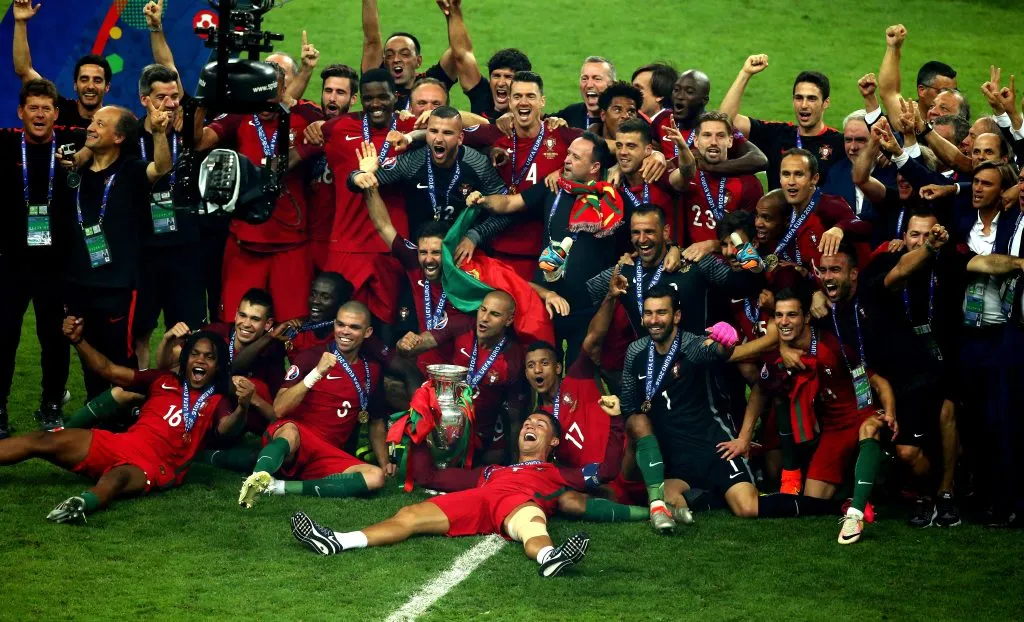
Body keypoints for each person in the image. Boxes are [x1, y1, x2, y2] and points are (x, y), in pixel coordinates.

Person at [0, 319, 251, 523]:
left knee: (117, 477)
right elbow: (108, 370)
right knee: (43, 439)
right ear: (185, 359)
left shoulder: (218, 400)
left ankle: (82, 503)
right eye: (195, 354)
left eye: (209, 357)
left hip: (155, 465)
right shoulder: (162, 379)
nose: (200, 361)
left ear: (217, 367)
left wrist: (242, 406)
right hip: (121, 443)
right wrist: (78, 341)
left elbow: (226, 429)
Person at [290, 409, 592, 578]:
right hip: (482, 498)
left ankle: (549, 557)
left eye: (540, 425)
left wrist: (618, 423)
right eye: (527, 422)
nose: (530, 425)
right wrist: (419, 430)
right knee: (409, 514)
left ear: (553, 441)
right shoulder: (491, 470)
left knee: (531, 526)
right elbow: (430, 477)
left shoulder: (559, 473)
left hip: (520, 504)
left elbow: (603, 477)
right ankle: (338, 540)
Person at [734, 287, 897, 543]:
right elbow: (760, 391)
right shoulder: (779, 356)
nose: (785, 322)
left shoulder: (830, 347)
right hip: (833, 430)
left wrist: (888, 413)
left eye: (792, 315)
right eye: (779, 316)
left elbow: (877, 382)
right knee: (812, 498)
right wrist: (744, 438)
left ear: (806, 317)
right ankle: (851, 495)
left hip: (860, 416)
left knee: (869, 428)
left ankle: (856, 512)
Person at [467, 133, 620, 364]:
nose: (566, 160)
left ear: (594, 167)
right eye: (568, 153)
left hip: (586, 306)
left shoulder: (610, 202)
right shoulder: (552, 187)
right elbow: (510, 202)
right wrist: (483, 200)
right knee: (542, 370)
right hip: (546, 301)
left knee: (581, 375)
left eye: (576, 157)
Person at [237, 302, 394, 507]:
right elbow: (279, 408)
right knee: (290, 432)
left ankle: (278, 487)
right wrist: (316, 373)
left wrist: (384, 464)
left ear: (367, 332)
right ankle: (258, 478)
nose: (345, 331)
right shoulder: (310, 357)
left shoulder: (371, 370)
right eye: (340, 324)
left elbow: (376, 422)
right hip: (296, 440)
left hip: (329, 453)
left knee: (375, 478)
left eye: (354, 327)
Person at [193, 59, 313, 326]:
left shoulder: (306, 115)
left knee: (294, 331)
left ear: (285, 90)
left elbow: (333, 132)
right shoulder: (239, 115)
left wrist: (300, 152)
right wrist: (201, 102)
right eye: (261, 91)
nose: (266, 100)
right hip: (244, 242)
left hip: (291, 244)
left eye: (274, 91)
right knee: (235, 326)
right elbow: (199, 141)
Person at [66, 105, 172, 401]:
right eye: (93, 121)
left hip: (117, 286)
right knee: (86, 353)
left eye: (101, 124)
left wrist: (160, 134)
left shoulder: (132, 169)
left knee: (119, 358)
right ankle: (95, 411)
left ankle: (123, 417)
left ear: (118, 137)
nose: (92, 127)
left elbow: (161, 168)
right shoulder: (77, 169)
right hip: (78, 282)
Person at [296, 69, 416, 330]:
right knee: (336, 324)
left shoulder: (409, 127)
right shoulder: (338, 128)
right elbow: (302, 139)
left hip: (389, 243)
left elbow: (461, 125)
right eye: (368, 98)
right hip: (346, 244)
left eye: (382, 97)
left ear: (396, 97)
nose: (375, 105)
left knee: (385, 326)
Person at [867, 214, 962, 526]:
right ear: (903, 236)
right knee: (908, 450)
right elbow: (895, 276)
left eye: (927, 236)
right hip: (906, 372)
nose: (920, 241)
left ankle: (945, 495)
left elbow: (979, 265)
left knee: (947, 416)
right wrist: (930, 249)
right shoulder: (886, 263)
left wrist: (1017, 264)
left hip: (944, 361)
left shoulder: (948, 263)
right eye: (914, 235)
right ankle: (925, 493)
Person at [0, 79, 80, 436]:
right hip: (10, 263)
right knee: (4, 336)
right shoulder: (4, 144)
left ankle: (51, 405)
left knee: (54, 338)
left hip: (55, 265)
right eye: (33, 107)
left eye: (46, 108)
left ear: (56, 115)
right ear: (21, 112)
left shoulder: (71, 151)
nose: (39, 114)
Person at [458, 71, 583, 279]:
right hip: (496, 246)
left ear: (542, 101)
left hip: (544, 253)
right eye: (517, 96)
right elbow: (451, 125)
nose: (523, 102)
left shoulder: (561, 135)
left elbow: (602, 147)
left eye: (530, 96)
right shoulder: (497, 134)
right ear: (509, 101)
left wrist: (653, 155)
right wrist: (412, 133)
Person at [129, 64, 205, 369]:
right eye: (162, 97)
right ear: (145, 99)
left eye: (175, 96)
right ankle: (138, 398)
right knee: (139, 332)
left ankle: (182, 402)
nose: (171, 103)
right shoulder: (129, 135)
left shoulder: (193, 134)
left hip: (185, 250)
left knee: (187, 332)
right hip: (142, 252)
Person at [399, 290, 527, 464]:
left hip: (482, 431)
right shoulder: (461, 325)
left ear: (509, 320)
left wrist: (517, 464)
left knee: (491, 466)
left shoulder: (513, 357)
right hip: (444, 419)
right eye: (483, 310)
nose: (484, 318)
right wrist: (405, 344)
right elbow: (415, 346)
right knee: (393, 386)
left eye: (494, 314)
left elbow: (514, 417)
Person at [362, 185, 474, 372]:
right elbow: (383, 225)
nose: (428, 259)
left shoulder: (468, 277)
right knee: (392, 387)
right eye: (423, 252)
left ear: (449, 251)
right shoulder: (415, 262)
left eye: (436, 253)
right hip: (425, 360)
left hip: (462, 365)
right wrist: (370, 185)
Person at [349, 106, 506, 235]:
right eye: (433, 131)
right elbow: (361, 182)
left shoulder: (478, 163)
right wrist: (359, 174)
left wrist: (475, 236)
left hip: (463, 252)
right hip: (422, 253)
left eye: (447, 133)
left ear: (460, 138)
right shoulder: (413, 161)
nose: (438, 138)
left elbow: (505, 207)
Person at [720, 56, 845, 189]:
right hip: (777, 210)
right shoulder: (777, 134)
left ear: (826, 103)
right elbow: (724, 121)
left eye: (812, 99)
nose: (803, 105)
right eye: (799, 98)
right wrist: (745, 74)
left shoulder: (839, 143)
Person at [296, 63, 360, 273]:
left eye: (340, 92)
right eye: (328, 91)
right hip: (306, 238)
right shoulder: (309, 121)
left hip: (344, 240)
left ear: (353, 99)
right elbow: (283, 101)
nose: (332, 98)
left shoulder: (359, 130)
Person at [11, 0, 112, 130]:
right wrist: (20, 22)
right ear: (75, 85)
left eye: (97, 80)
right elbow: (24, 70)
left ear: (107, 87)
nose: (90, 86)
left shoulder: (114, 122)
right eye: (84, 79)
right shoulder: (58, 110)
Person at [678, 111, 764, 247]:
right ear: (696, 140)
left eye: (720, 136)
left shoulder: (748, 184)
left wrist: (714, 245)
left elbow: (752, 236)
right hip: (686, 258)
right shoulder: (684, 175)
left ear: (730, 141)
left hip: (730, 260)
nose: (713, 142)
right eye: (706, 135)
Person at [359, 0, 457, 110]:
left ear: (418, 61)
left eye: (405, 54)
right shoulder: (378, 82)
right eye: (389, 55)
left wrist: (452, 13)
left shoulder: (432, 83)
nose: (396, 59)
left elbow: (458, 51)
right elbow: (372, 41)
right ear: (384, 61)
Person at [553, 56, 616, 130]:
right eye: (584, 79)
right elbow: (540, 121)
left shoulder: (620, 120)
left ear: (612, 85)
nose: (589, 85)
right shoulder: (571, 113)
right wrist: (552, 121)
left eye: (597, 79)